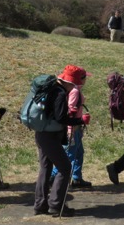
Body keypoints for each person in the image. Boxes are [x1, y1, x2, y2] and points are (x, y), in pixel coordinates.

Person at [32, 70, 88, 217]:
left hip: (42, 133)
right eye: (76, 83)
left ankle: (40, 205)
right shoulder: (60, 93)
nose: (77, 86)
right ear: (70, 82)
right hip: (50, 136)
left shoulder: (50, 89)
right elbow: (60, 118)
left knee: (45, 168)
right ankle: (56, 204)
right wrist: (79, 120)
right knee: (65, 167)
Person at [49, 65, 93, 189]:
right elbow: (70, 110)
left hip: (76, 128)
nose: (86, 80)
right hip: (73, 129)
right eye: (85, 78)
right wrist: (70, 130)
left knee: (79, 153)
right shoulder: (74, 91)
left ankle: (77, 178)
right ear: (81, 79)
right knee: (68, 155)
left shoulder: (74, 89)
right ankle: (52, 178)